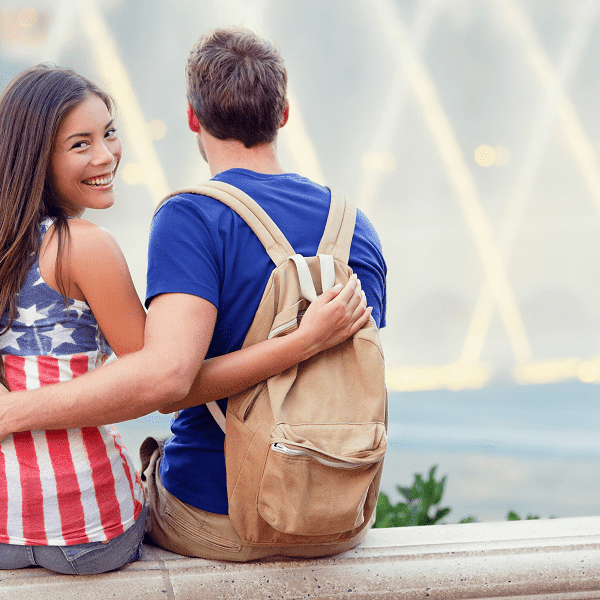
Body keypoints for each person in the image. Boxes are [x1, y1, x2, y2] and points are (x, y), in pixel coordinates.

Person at [0, 26, 386, 562]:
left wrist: (14, 412)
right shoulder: (355, 226)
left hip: (214, 511)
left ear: (191, 119)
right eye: (83, 143)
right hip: (336, 515)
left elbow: (164, 381)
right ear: (284, 114)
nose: (107, 154)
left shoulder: (191, 217)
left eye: (107, 135)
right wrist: (305, 341)